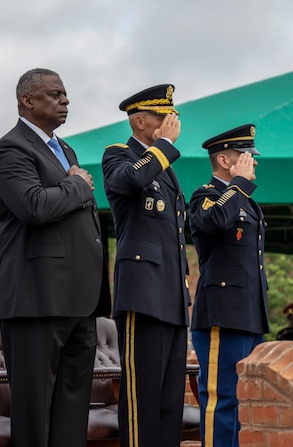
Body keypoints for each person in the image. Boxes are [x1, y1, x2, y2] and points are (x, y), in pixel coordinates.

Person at [0, 69, 111, 447]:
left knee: (72, 412)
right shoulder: (11, 149)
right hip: (35, 299)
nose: (65, 100)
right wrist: (77, 184)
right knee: (35, 415)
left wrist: (71, 185)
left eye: (66, 94)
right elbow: (34, 206)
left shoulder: (65, 148)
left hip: (78, 300)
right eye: (55, 94)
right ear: (28, 100)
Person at [101, 84, 190, 447]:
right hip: (142, 292)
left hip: (170, 293)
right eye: (162, 115)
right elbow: (130, 181)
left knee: (170, 402)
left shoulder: (164, 167)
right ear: (139, 120)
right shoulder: (118, 155)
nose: (172, 121)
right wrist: (164, 146)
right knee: (143, 400)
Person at [189, 124, 268, 447]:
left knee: (244, 400)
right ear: (224, 160)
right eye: (247, 155)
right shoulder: (205, 196)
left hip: (248, 313)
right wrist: (238, 186)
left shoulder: (244, 201)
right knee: (222, 397)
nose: (254, 162)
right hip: (223, 314)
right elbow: (215, 221)